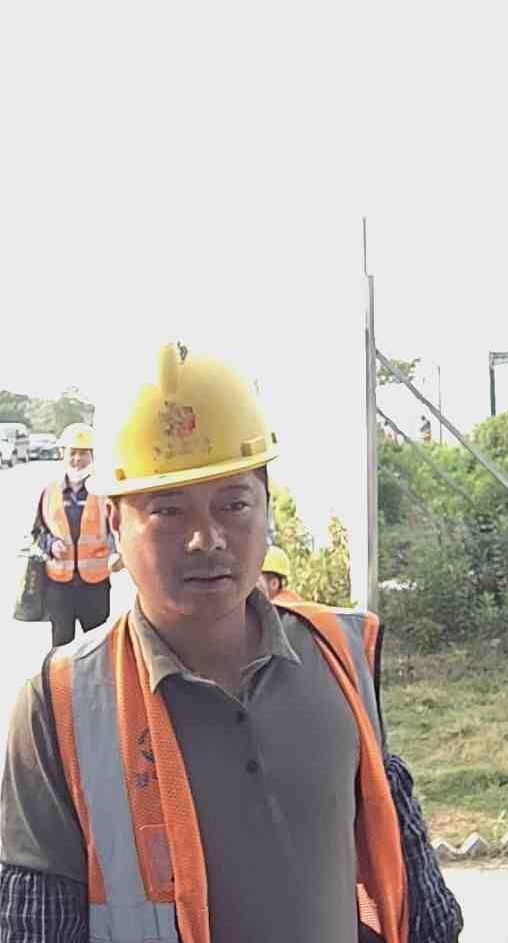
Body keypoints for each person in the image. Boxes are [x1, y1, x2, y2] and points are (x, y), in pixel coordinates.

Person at [0, 343, 463, 943]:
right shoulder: (60, 706)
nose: (207, 538)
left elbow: (418, 896)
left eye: (234, 503)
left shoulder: (340, 654)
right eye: (168, 511)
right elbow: (35, 925)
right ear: (115, 522)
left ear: (266, 506)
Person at [31, 422, 114, 646]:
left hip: (95, 585)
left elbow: (119, 529)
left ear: (93, 456)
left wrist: (117, 554)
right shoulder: (49, 491)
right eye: (72, 453)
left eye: (83, 453)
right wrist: (51, 545)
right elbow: (38, 531)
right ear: (63, 454)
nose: (77, 459)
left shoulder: (104, 491)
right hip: (59, 586)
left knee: (96, 648)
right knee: (61, 648)